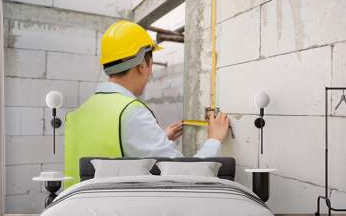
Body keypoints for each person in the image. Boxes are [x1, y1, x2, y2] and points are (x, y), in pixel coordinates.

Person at [65, 20, 230, 184]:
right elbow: (186, 175)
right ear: (142, 65)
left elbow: (106, 149)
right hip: (113, 208)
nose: (151, 72)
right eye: (150, 64)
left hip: (76, 207)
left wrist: (157, 138)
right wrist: (214, 140)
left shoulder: (79, 113)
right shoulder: (131, 113)